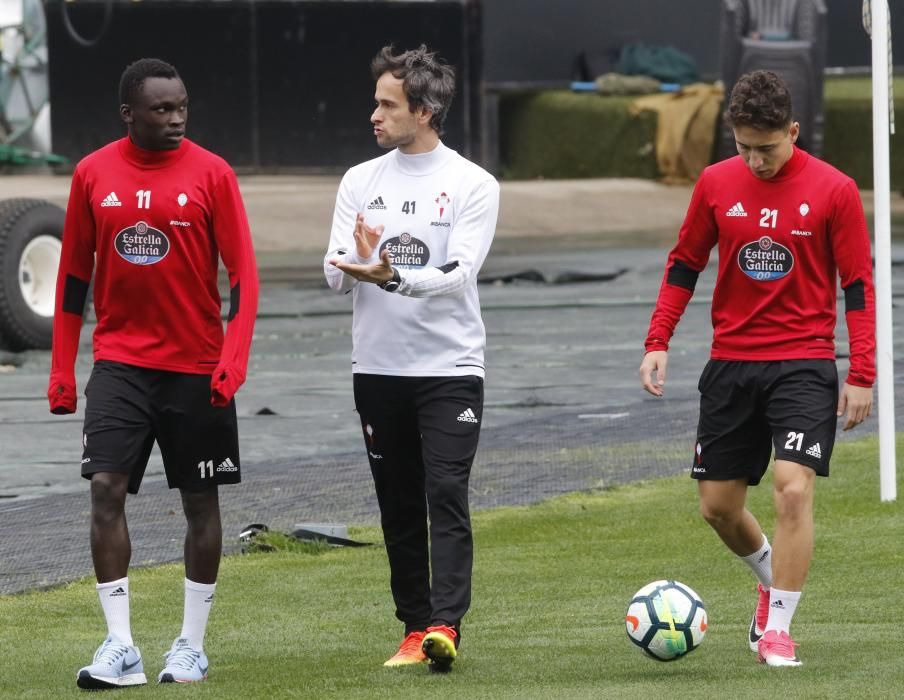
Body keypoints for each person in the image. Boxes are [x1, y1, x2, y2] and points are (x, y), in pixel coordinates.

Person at [639, 70, 875, 668]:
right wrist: (657, 338)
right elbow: (684, 263)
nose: (756, 160)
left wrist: (862, 373)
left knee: (793, 490)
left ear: (793, 131)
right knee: (717, 507)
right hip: (731, 365)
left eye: (767, 148)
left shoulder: (836, 189)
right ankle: (771, 578)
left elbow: (858, 287)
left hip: (803, 362)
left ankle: (778, 631)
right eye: (744, 147)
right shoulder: (717, 183)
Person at [47, 57, 259, 689]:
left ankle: (190, 646)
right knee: (105, 490)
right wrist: (63, 369)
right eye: (162, 109)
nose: (176, 119)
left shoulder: (213, 174)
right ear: (129, 114)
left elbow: (244, 277)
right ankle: (120, 646)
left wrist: (233, 360)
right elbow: (72, 280)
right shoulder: (91, 173)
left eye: (183, 108)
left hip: (196, 368)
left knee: (200, 502)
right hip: (119, 365)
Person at [324, 44, 499, 671]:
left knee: (445, 490)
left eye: (387, 104)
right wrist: (355, 262)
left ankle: (446, 625)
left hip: (450, 370)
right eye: (375, 102)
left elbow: (458, 273)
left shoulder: (473, 184)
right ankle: (413, 627)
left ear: (423, 110)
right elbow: (334, 273)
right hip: (376, 370)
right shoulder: (358, 181)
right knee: (397, 502)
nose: (374, 114)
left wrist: (391, 275)